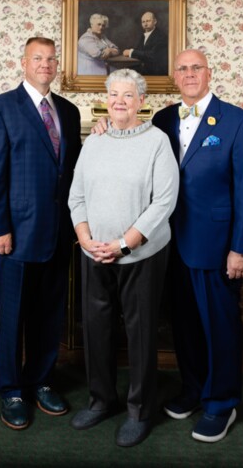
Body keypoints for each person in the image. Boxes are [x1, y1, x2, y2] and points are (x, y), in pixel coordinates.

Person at [92, 49, 243, 444]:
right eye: (182, 68)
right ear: (174, 75)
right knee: (184, 325)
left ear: (209, 72)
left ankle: (221, 403)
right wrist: (106, 126)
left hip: (217, 245)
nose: (189, 74)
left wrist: (241, 248)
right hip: (167, 244)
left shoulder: (238, 122)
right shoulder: (162, 119)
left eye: (196, 68)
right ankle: (193, 390)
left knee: (219, 327)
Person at [0, 37, 81, 430]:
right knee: (15, 316)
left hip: (58, 234)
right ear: (24, 62)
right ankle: (12, 390)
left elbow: (73, 173)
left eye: (52, 59)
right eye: (38, 58)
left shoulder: (68, 112)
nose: (46, 64)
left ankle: (41, 380)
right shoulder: (1, 107)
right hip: (15, 236)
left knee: (50, 315)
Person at [68, 68, 179, 447]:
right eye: (113, 94)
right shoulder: (93, 142)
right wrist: (86, 240)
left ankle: (139, 410)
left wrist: (122, 244)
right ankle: (101, 400)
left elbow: (163, 203)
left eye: (128, 95)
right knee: (95, 330)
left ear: (141, 102)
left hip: (142, 255)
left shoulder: (158, 142)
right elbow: (76, 197)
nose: (119, 101)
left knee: (141, 334)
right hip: (93, 253)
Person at [123, 11, 168, 75]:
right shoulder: (144, 35)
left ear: (155, 21)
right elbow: (139, 50)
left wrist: (131, 52)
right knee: (124, 70)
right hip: (146, 67)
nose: (145, 24)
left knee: (126, 73)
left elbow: (152, 55)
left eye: (148, 21)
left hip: (156, 71)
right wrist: (130, 50)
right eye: (143, 22)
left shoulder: (161, 36)